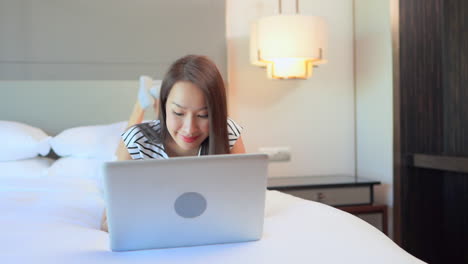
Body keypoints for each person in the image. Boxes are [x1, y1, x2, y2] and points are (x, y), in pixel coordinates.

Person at [101, 55, 245, 231]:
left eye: (203, 115)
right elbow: (108, 222)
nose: (189, 129)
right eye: (178, 112)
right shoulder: (136, 141)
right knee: (127, 141)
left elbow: (244, 198)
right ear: (163, 106)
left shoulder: (228, 131)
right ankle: (141, 103)